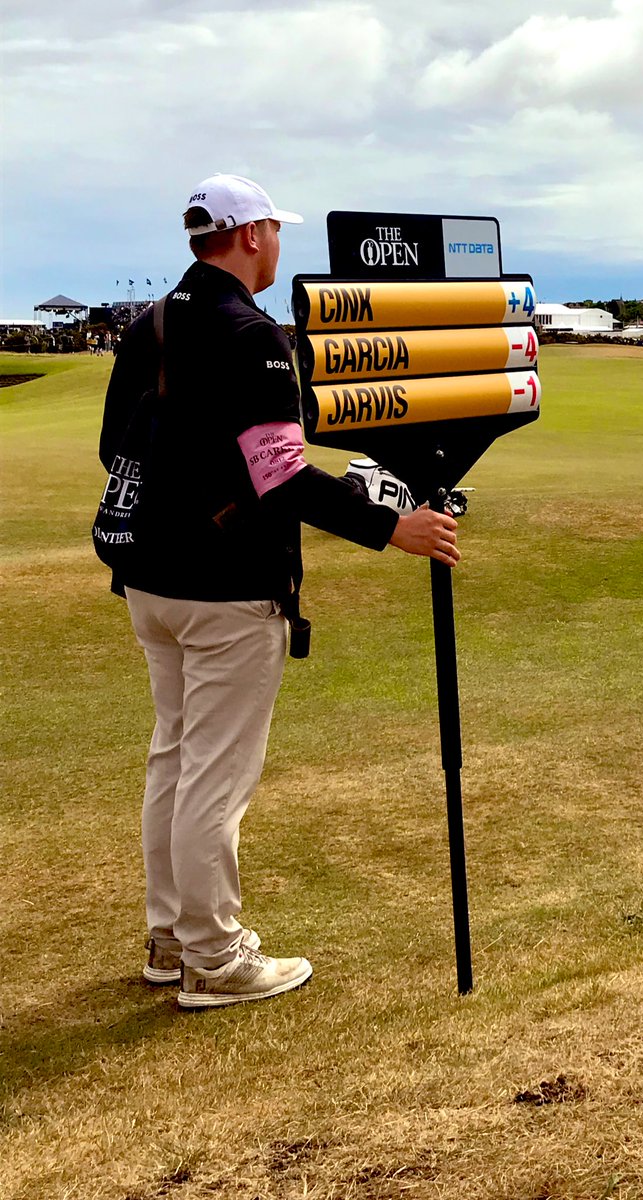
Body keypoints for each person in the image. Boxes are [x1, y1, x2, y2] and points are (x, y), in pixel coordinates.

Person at [99, 174, 460, 1008]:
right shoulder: (254, 336)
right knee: (213, 781)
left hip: (150, 582)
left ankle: (168, 939)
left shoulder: (149, 323)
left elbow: (118, 450)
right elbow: (280, 474)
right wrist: (390, 527)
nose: (278, 244)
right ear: (251, 234)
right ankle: (215, 959)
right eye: (274, 229)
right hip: (226, 590)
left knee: (175, 760)